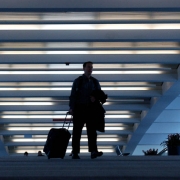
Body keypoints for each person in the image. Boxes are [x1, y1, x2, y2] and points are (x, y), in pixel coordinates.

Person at [69, 61, 106, 159]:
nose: (90, 69)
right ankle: (75, 152)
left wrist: (96, 98)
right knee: (77, 131)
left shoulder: (94, 81)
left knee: (92, 132)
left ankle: (93, 151)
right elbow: (72, 96)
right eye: (88, 67)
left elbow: (100, 94)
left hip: (91, 109)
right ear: (84, 68)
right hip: (79, 109)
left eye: (91, 67)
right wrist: (72, 108)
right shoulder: (78, 81)